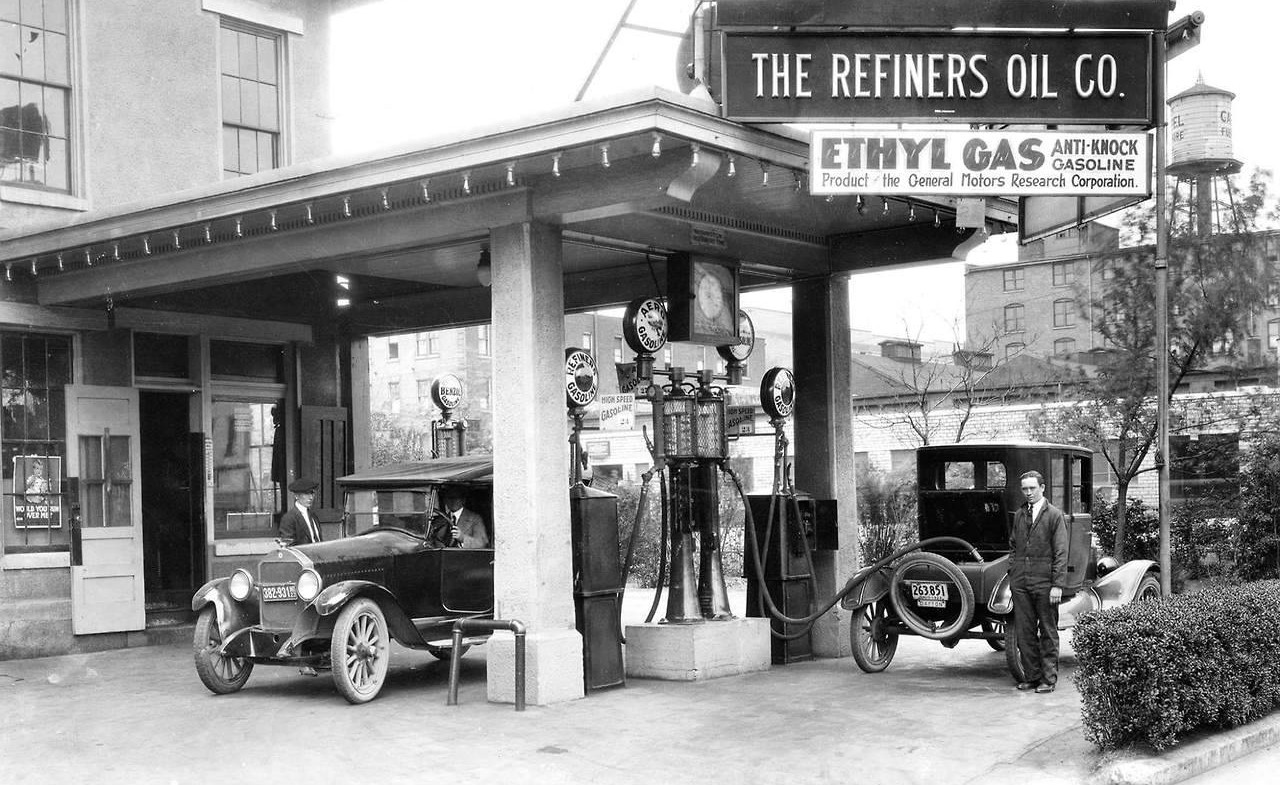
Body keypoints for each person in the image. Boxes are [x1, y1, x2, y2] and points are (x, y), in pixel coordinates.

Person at [1010, 470, 1069, 694]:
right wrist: (1013, 571)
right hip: (1021, 582)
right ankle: (1032, 677)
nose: (1028, 493)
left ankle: (1048, 679)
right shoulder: (1019, 514)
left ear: (1042, 488)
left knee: (1047, 630)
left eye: (1032, 488)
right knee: (1024, 632)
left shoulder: (1054, 515)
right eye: (1024, 489)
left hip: (1045, 583)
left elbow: (1062, 552)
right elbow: (1013, 546)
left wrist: (1057, 585)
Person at [277, 478, 322, 546]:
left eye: (312, 493)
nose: (311, 497)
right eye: (306, 493)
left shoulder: (313, 516)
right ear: (296, 496)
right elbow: (289, 546)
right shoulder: (289, 518)